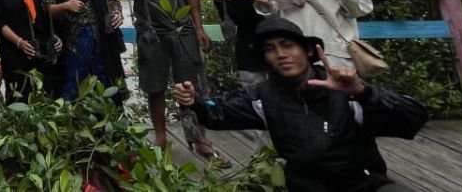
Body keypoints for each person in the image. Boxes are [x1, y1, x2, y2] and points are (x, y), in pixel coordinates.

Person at [174, 18, 426, 191]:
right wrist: (193, 100)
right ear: (265, 58)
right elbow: (217, 112)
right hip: (304, 186)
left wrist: (363, 92)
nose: (281, 54)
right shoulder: (263, 95)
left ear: (307, 50)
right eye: (271, 49)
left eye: (287, 45)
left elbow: (411, 120)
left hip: (364, 182)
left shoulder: (344, 85)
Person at [119, 0, 218, 160]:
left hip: (183, 29)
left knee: (191, 86)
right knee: (155, 87)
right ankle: (161, 137)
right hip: (150, 30)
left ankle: (198, 139)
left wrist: (199, 27)